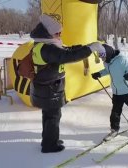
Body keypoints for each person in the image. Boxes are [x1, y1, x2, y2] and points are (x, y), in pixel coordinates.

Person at [30, 14, 103, 153]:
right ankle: (49, 146)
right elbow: (68, 56)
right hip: (50, 88)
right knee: (53, 116)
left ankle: (49, 139)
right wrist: (90, 49)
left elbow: (66, 50)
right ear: (48, 33)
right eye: (57, 33)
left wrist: (86, 46)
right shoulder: (47, 49)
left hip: (46, 87)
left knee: (49, 116)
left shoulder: (43, 45)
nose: (59, 35)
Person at [91, 44, 128, 141]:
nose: (101, 59)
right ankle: (114, 130)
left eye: (102, 56)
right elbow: (107, 70)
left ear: (108, 54)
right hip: (116, 91)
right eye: (100, 57)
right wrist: (99, 73)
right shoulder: (107, 62)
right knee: (115, 112)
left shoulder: (121, 59)